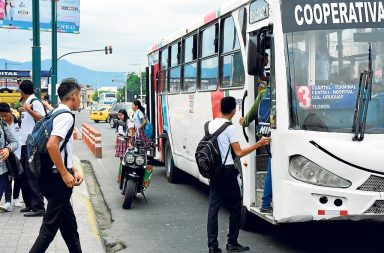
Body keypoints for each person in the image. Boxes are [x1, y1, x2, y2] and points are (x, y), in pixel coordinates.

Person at [207, 96, 270, 253]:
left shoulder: (209, 125)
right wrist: (259, 144)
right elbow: (239, 153)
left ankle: (213, 246)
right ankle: (232, 243)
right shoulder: (229, 128)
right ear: (234, 110)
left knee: (213, 209)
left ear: (220, 108)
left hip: (214, 171)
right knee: (236, 207)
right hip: (227, 172)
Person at [30, 78, 83, 253]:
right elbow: (52, 145)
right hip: (57, 180)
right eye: (80, 96)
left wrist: (72, 168)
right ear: (74, 96)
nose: (80, 100)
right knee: (48, 230)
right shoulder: (66, 116)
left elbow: (61, 148)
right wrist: (65, 173)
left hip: (48, 176)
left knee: (69, 228)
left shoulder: (54, 113)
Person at [239, 85, 272, 213]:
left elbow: (248, 118)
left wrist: (243, 121)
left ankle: (265, 203)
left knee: (271, 170)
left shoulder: (264, 93)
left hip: (267, 137)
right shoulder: (290, 90)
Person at [18, 80, 46, 217]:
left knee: (32, 175)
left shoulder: (35, 102)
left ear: (22, 91)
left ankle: (39, 207)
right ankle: (30, 204)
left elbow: (42, 118)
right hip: (25, 143)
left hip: (32, 144)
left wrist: (28, 109)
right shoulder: (27, 103)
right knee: (25, 175)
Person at [0, 103, 22, 212]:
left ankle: (15, 198)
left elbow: (16, 141)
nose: (3, 118)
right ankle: (8, 202)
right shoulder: (3, 124)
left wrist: (8, 149)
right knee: (8, 180)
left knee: (16, 178)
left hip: (11, 160)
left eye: (5, 115)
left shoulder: (7, 125)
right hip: (6, 160)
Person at [132, 100, 154, 173]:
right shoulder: (136, 112)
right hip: (137, 133)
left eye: (133, 105)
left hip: (141, 133)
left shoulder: (139, 112)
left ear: (136, 106)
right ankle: (140, 165)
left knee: (142, 149)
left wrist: (139, 128)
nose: (132, 107)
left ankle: (143, 166)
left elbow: (144, 121)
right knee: (139, 149)